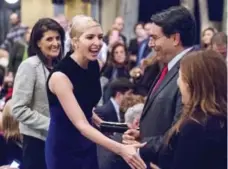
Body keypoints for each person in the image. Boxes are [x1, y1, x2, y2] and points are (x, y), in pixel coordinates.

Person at [45, 15, 146, 169]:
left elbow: (86, 109)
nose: (97, 43)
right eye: (90, 37)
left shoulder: (94, 65)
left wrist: (115, 126)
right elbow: (81, 124)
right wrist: (121, 150)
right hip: (64, 148)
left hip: (87, 142)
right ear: (75, 41)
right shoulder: (60, 77)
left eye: (100, 37)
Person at [122, 6, 197, 164]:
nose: (150, 44)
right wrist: (142, 135)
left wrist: (142, 146)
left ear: (175, 39)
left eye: (155, 38)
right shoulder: (169, 66)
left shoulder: (192, 70)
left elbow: (180, 132)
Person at [151, 50, 227, 169]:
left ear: (192, 83)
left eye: (181, 77)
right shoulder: (220, 119)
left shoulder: (194, 127)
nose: (178, 82)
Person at [11, 18, 65, 169]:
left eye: (58, 38)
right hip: (37, 143)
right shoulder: (29, 66)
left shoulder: (59, 66)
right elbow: (19, 109)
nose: (55, 43)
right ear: (38, 43)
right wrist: (52, 125)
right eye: (49, 39)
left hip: (58, 140)